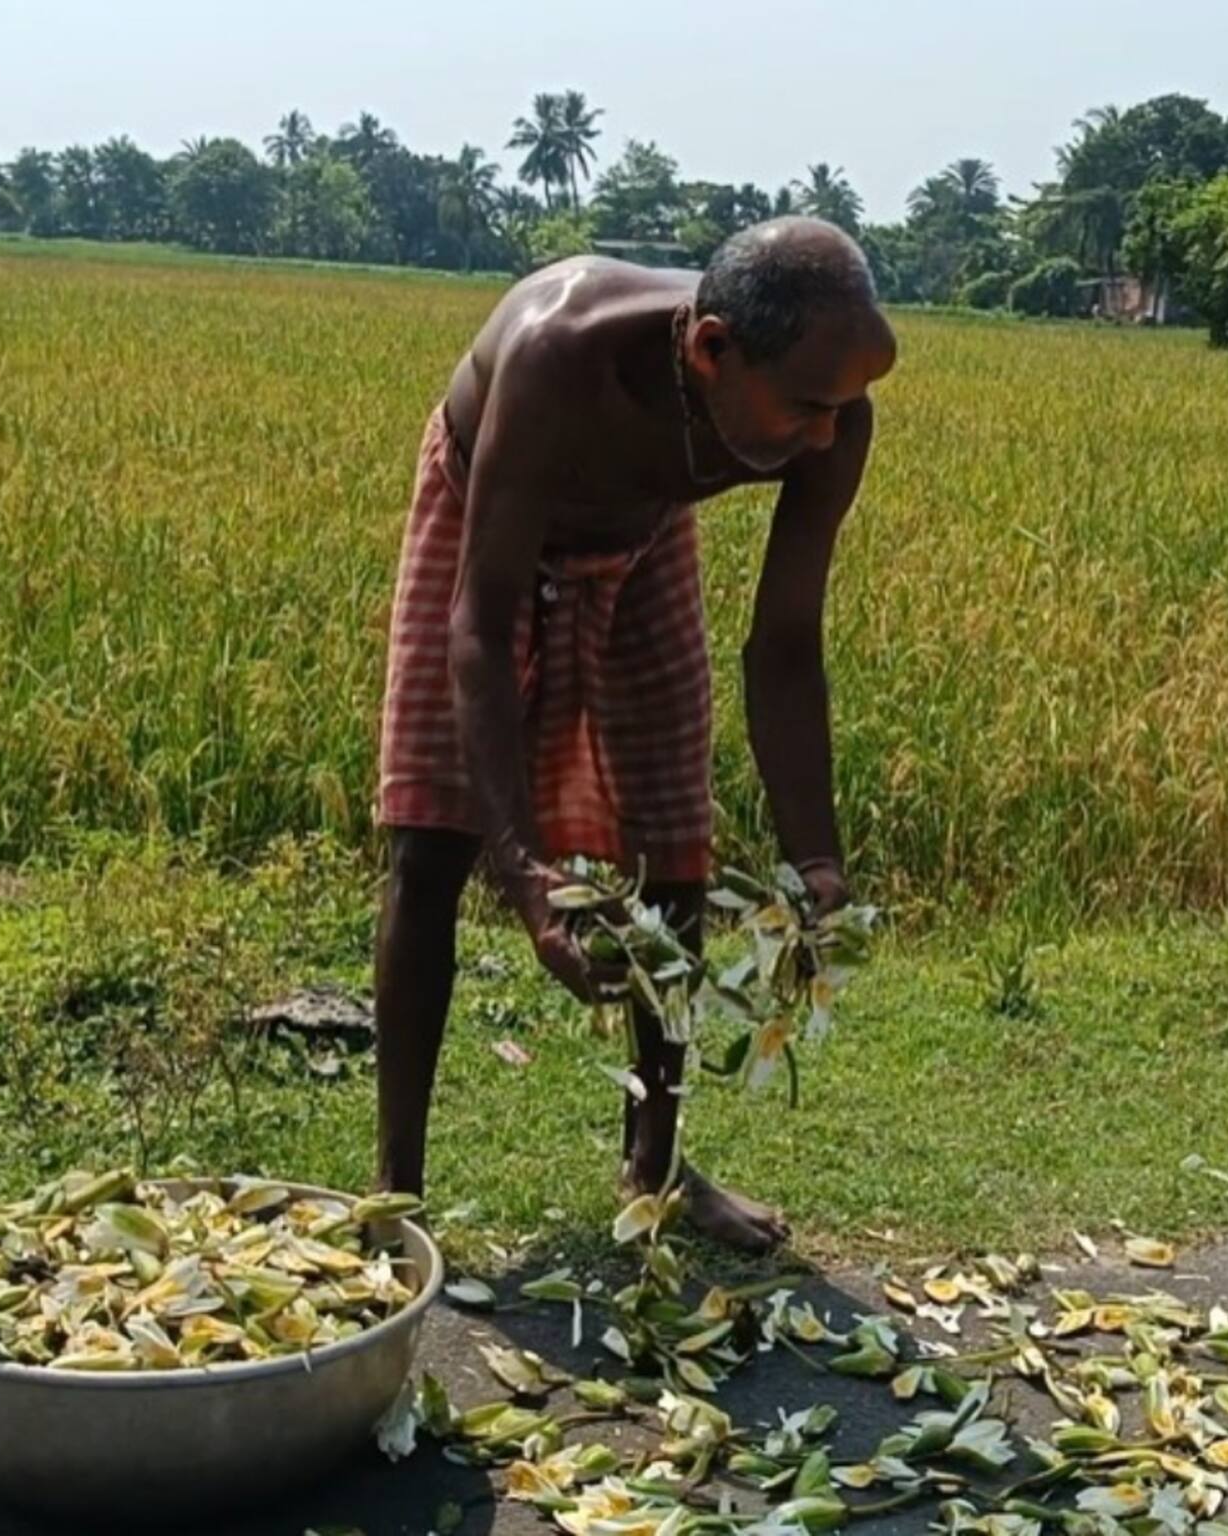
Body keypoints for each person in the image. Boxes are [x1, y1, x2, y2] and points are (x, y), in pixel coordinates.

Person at [370, 217, 897, 1252]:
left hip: (644, 525)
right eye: (805, 408)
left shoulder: (832, 417)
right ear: (710, 350)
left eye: (841, 410)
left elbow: (784, 644)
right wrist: (525, 876)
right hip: (487, 510)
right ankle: (399, 1193)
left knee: (673, 850)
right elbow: (478, 626)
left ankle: (652, 1170)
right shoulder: (558, 354)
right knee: (431, 842)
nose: (825, 438)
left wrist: (816, 858)